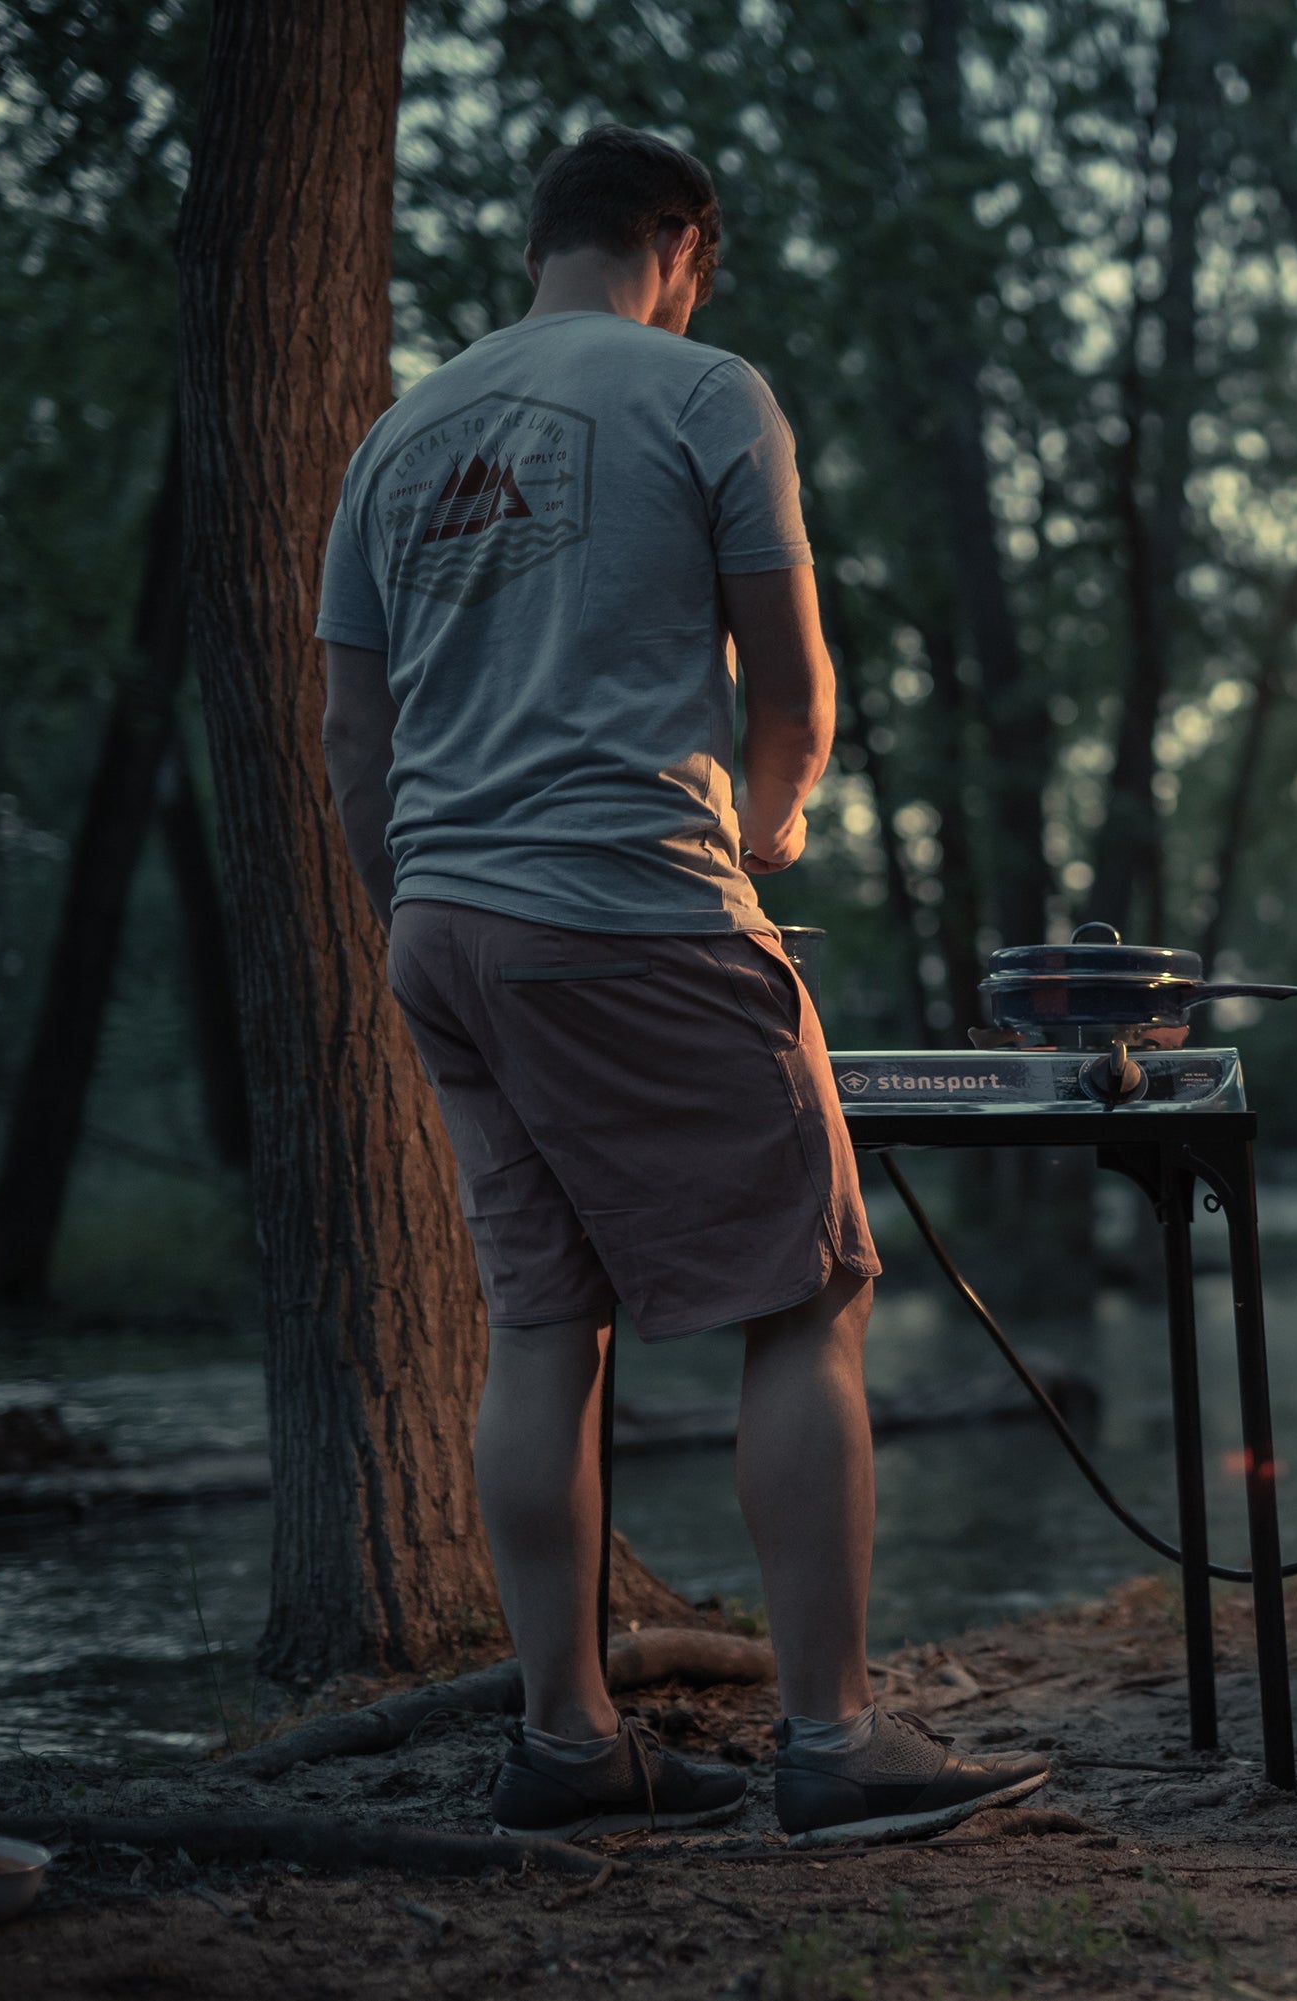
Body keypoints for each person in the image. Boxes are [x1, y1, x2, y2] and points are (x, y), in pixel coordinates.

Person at [315, 125, 1050, 1843]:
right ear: (676, 240)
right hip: (630, 900)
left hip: (444, 927)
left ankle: (568, 1747)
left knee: (538, 1330)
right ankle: (830, 1744)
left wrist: (410, 907)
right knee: (806, 1303)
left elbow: (357, 731)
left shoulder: (394, 437)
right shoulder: (704, 390)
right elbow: (789, 683)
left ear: (532, 246)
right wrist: (775, 819)